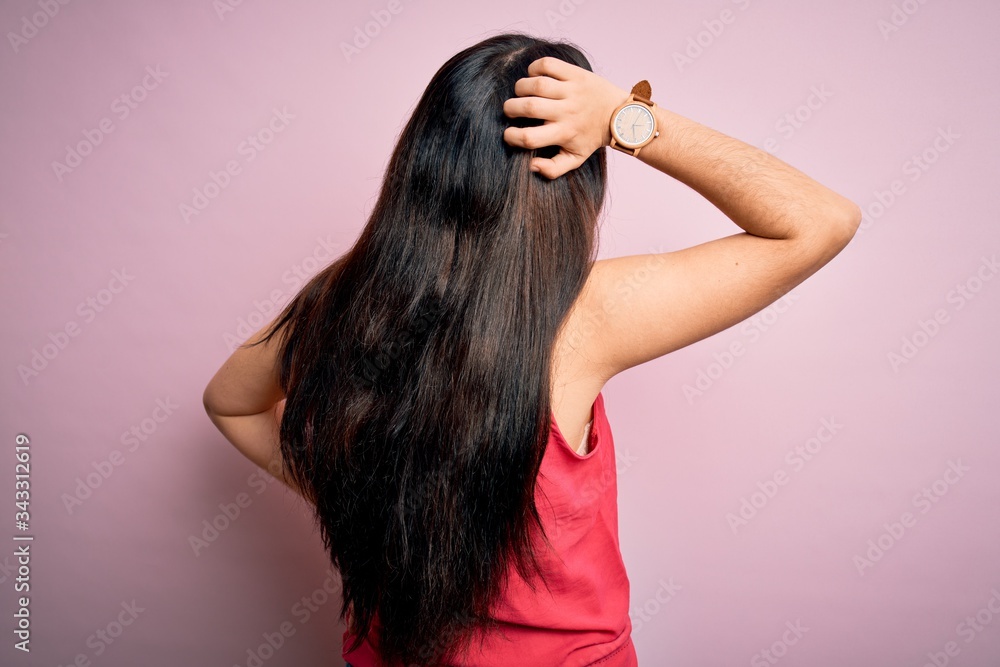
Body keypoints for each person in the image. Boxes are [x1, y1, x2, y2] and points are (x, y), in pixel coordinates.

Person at [202, 31, 860, 667]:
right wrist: (627, 118)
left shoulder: (341, 300)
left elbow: (228, 403)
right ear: (573, 181)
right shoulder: (587, 318)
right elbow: (820, 221)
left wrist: (358, 500)